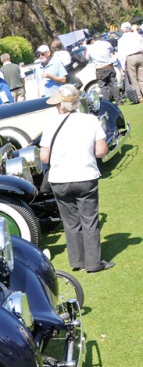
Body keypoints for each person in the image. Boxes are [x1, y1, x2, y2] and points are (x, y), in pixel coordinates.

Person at [39, 85, 113, 274]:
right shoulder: (90, 120)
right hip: (85, 175)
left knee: (70, 221)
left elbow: (44, 158)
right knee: (89, 219)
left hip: (59, 178)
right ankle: (93, 263)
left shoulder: (50, 124)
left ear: (60, 105)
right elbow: (101, 151)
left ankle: (77, 261)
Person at [85, 34, 123, 104]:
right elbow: (112, 51)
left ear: (93, 40)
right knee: (113, 84)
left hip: (99, 69)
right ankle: (119, 101)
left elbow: (87, 58)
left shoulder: (90, 48)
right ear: (101, 38)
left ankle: (107, 103)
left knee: (103, 87)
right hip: (109, 66)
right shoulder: (106, 44)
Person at [116, 21, 143, 103]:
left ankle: (139, 96)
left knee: (134, 79)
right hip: (140, 55)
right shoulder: (137, 36)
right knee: (142, 77)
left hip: (130, 58)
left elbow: (121, 53)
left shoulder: (121, 40)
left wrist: (123, 64)